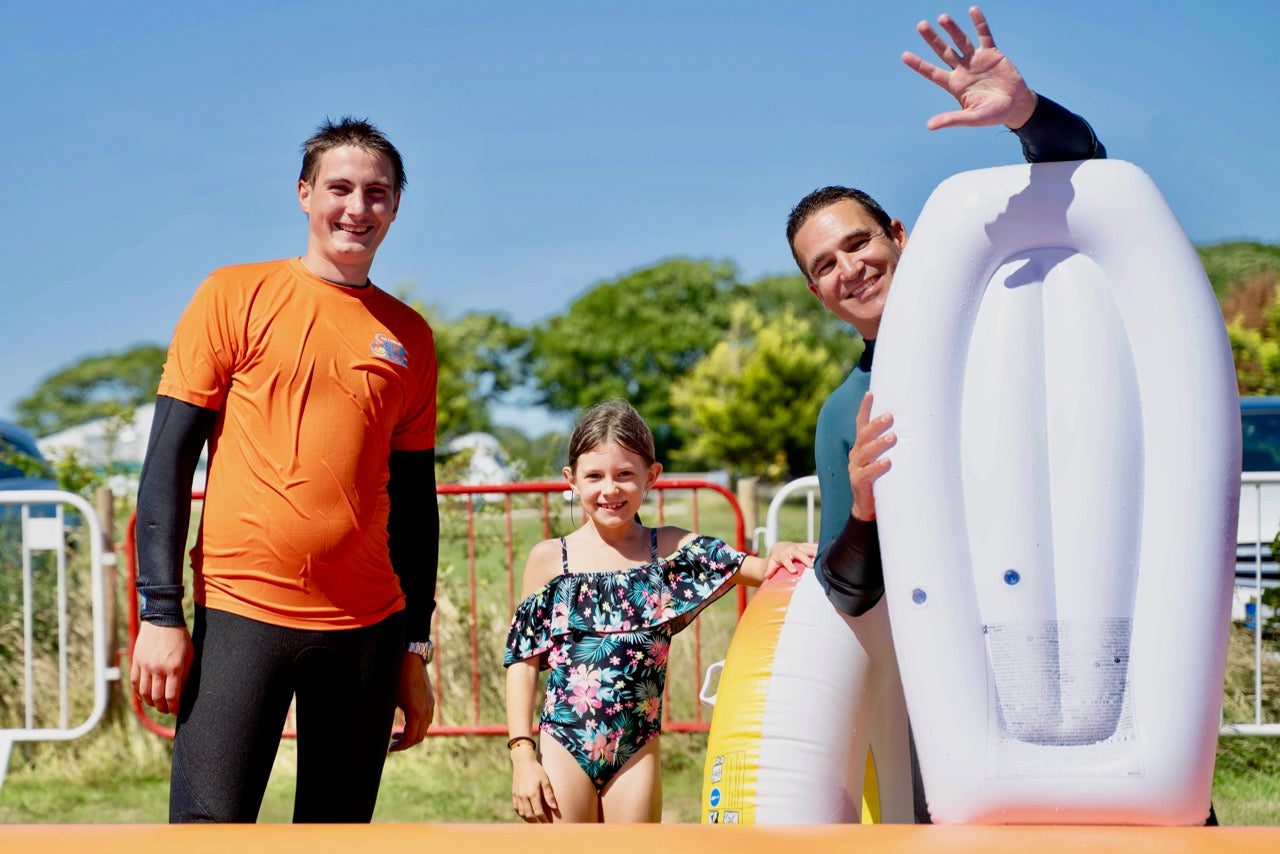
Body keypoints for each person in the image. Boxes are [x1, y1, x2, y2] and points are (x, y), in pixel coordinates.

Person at [786, 7, 1108, 823]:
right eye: (824, 265)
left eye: (858, 243)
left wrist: (1026, 114)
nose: (849, 268)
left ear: (898, 233)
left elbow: (1085, 177)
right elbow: (848, 593)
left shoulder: (1002, 308)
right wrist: (861, 510)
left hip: (1083, 632)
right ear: (816, 293)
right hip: (960, 691)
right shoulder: (843, 413)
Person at [129, 117, 440, 823]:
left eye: (377, 193)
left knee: (335, 838)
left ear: (395, 207)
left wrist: (413, 648)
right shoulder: (232, 295)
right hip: (244, 614)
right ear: (304, 194)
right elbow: (168, 461)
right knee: (208, 833)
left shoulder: (410, 337)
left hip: (367, 631)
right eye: (340, 188)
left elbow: (418, 508)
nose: (357, 207)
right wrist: (159, 610)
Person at [503, 401, 815, 823]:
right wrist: (523, 755)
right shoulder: (550, 560)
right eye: (594, 476)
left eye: (625, 474)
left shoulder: (668, 552)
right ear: (571, 480)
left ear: (651, 477)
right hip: (563, 743)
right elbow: (522, 663)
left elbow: (755, 568)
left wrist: (779, 550)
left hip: (636, 750)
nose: (609, 490)